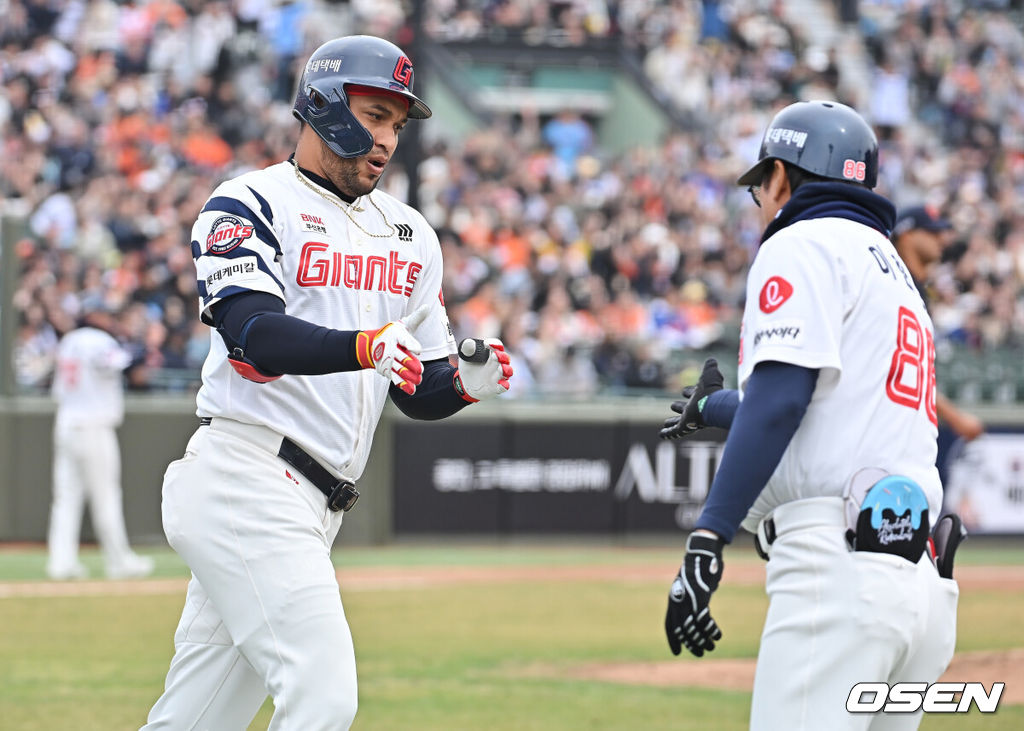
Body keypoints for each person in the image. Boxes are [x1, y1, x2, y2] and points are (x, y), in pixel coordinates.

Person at [142, 35, 513, 730]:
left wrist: (464, 382)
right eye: (375, 114)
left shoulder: (409, 232)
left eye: (397, 125)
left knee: (194, 721)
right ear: (324, 103)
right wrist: (364, 345)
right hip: (246, 477)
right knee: (323, 694)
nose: (386, 139)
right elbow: (254, 333)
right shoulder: (250, 200)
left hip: (313, 503)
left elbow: (411, 387)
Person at [659, 101, 961, 730]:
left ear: (781, 177)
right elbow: (827, 404)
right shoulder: (897, 273)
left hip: (839, 567)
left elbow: (783, 399)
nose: (761, 204)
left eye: (760, 187)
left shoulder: (802, 241)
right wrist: (716, 406)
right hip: (920, 581)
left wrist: (708, 537)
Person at [47, 304, 155, 581]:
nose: (111, 319)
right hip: (93, 425)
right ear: (95, 317)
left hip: (66, 423)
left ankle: (61, 563)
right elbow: (124, 361)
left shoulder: (69, 340)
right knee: (106, 495)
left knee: (65, 498)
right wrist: (141, 345)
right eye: (106, 315)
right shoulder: (99, 340)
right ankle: (118, 561)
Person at [891, 204, 985, 485]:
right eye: (932, 232)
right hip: (893, 431)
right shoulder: (895, 284)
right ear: (906, 235)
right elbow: (902, 372)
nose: (941, 240)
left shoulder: (917, 288)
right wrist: (955, 418)